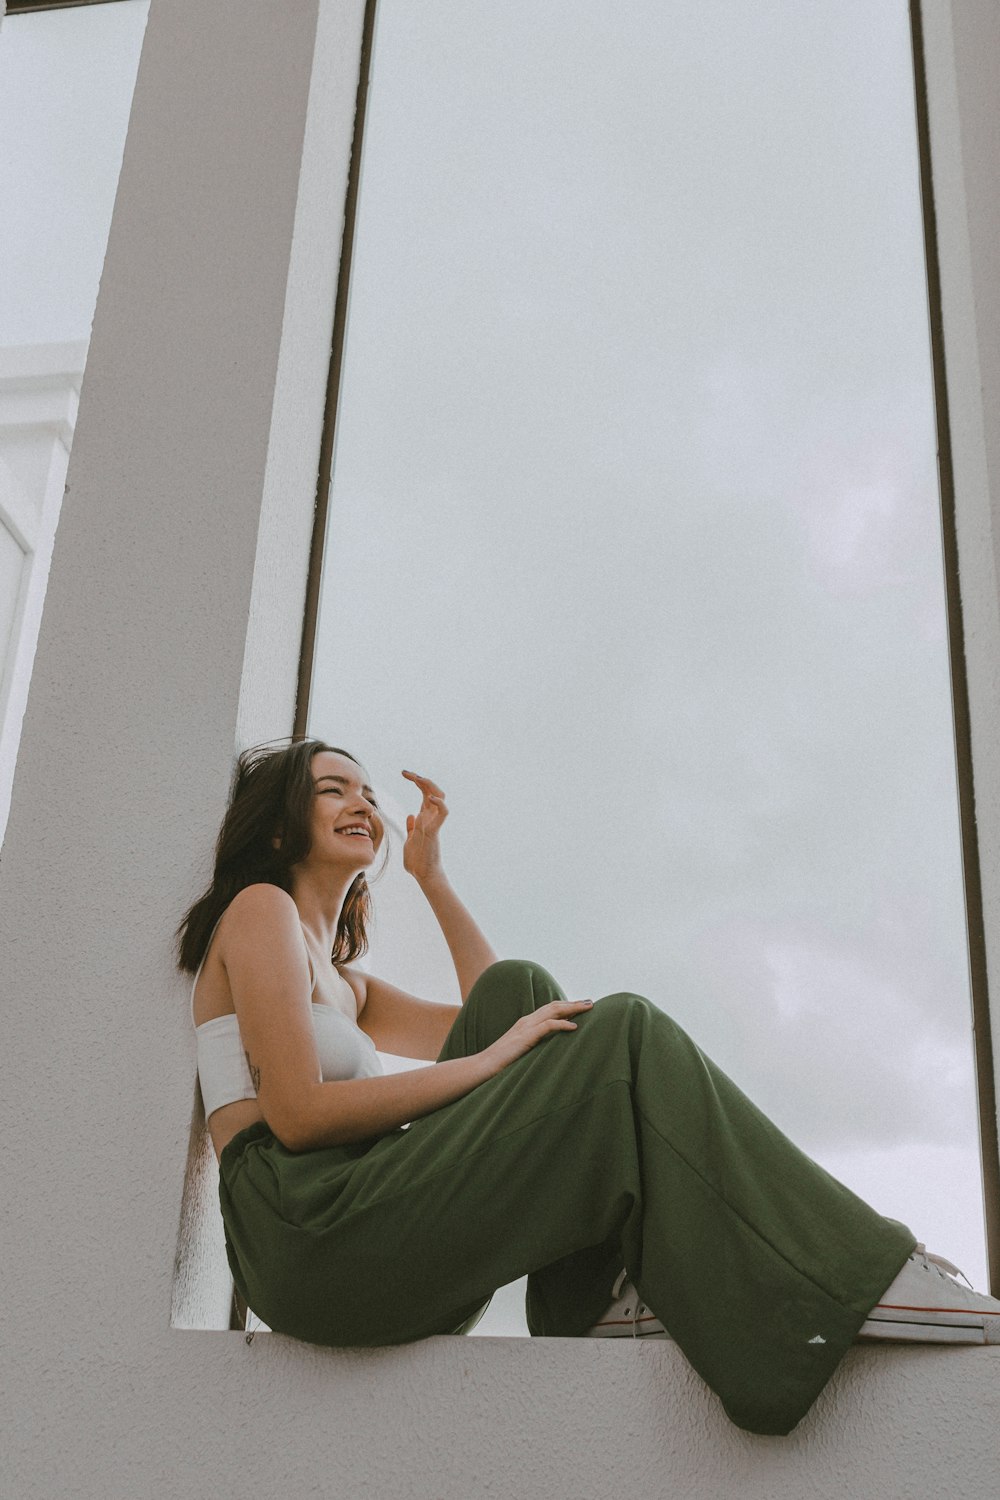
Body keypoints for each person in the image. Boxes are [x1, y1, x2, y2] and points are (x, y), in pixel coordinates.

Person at [178, 737, 1000, 1436]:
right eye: (332, 790)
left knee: (523, 991)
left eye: (366, 790)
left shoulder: (346, 985)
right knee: (620, 1032)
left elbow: (496, 1017)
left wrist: (431, 876)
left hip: (372, 1224)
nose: (361, 803)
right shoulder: (258, 912)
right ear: (283, 826)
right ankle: (864, 1276)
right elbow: (296, 1113)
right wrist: (491, 1062)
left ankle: (595, 1298)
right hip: (305, 1234)